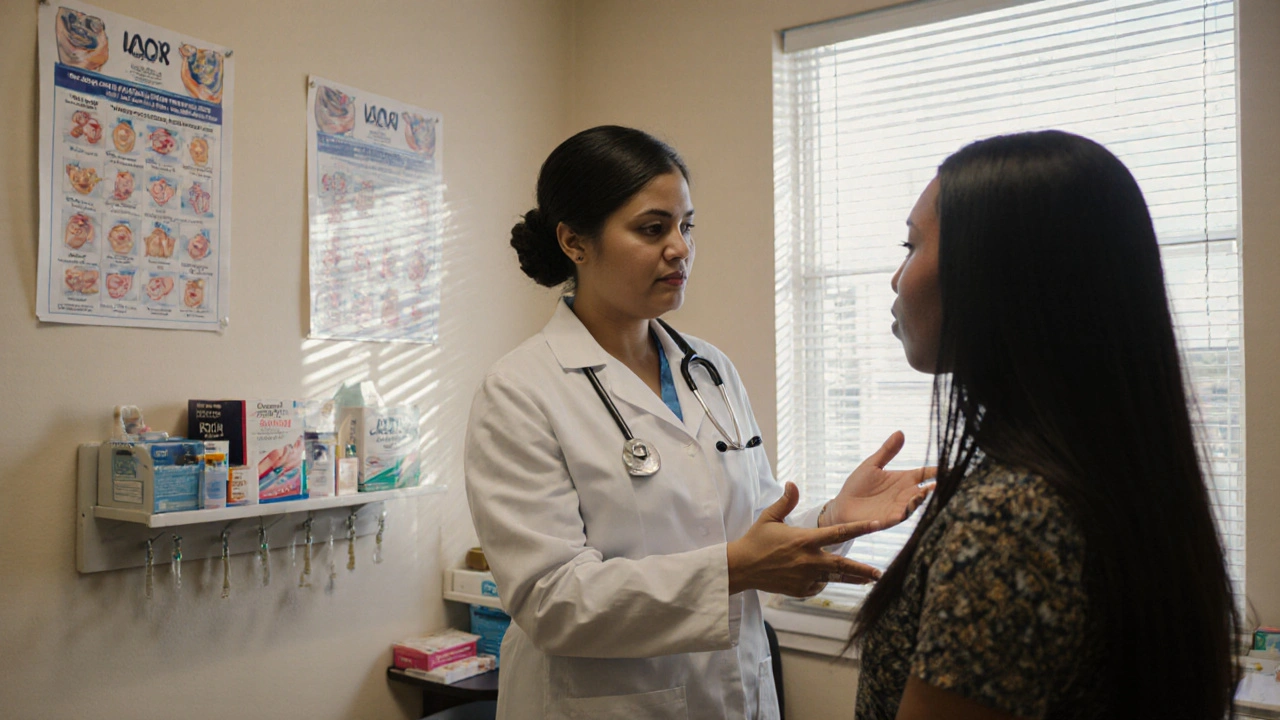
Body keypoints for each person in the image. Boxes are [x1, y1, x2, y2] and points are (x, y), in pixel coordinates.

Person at [464, 125, 933, 720]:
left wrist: (832, 518)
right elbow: (553, 603)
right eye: (652, 228)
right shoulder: (520, 391)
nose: (680, 248)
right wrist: (737, 568)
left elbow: (751, 522)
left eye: (686, 226)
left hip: (736, 693)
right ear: (575, 243)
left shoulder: (708, 369)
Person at [853, 130, 1238, 719]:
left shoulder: (1011, 516)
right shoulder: (1111, 472)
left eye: (911, 246)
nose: (895, 278)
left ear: (994, 276)